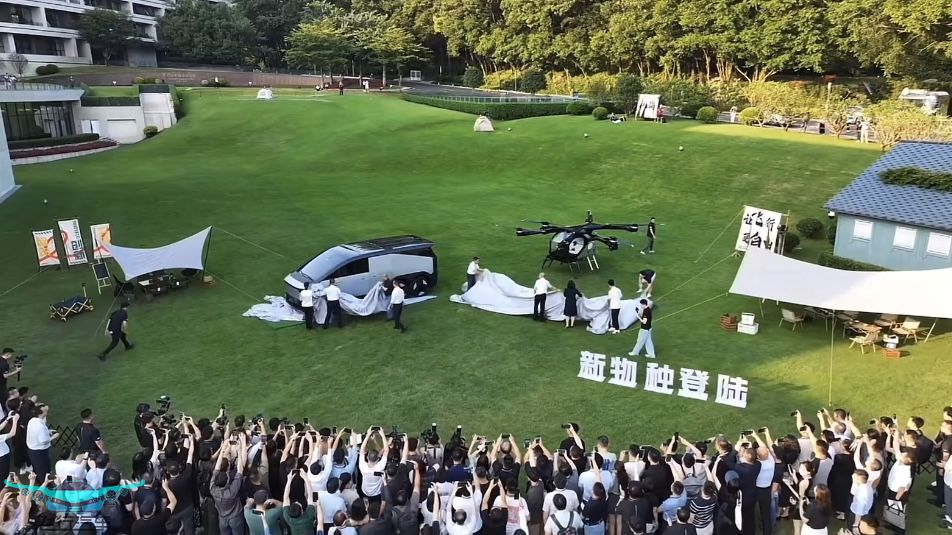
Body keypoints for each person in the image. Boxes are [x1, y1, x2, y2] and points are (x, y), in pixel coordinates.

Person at [26, 403, 58, 481]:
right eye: (44, 410)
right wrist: (53, 437)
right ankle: (45, 485)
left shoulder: (32, 420)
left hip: (33, 449)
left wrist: (48, 431)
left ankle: (39, 481)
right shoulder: (39, 425)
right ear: (40, 413)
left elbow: (37, 433)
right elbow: (43, 441)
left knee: (37, 467)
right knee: (43, 469)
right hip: (39, 451)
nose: (46, 410)